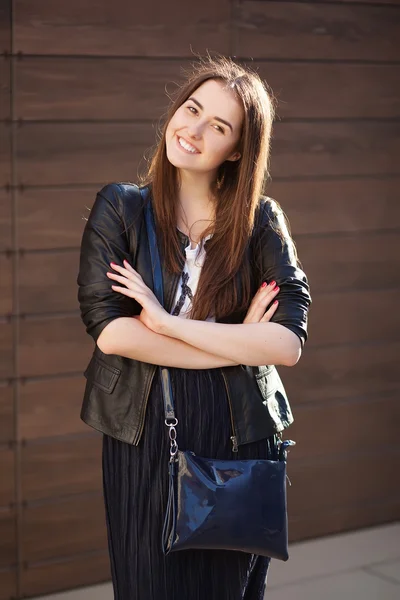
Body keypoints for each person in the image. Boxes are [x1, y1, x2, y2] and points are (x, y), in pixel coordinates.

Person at [77, 53, 312, 600]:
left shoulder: (260, 222)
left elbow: (286, 342)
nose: (194, 130)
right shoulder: (121, 209)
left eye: (220, 126)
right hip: (145, 438)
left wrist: (162, 323)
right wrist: (236, 346)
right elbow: (112, 332)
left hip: (240, 435)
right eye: (192, 109)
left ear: (237, 151)